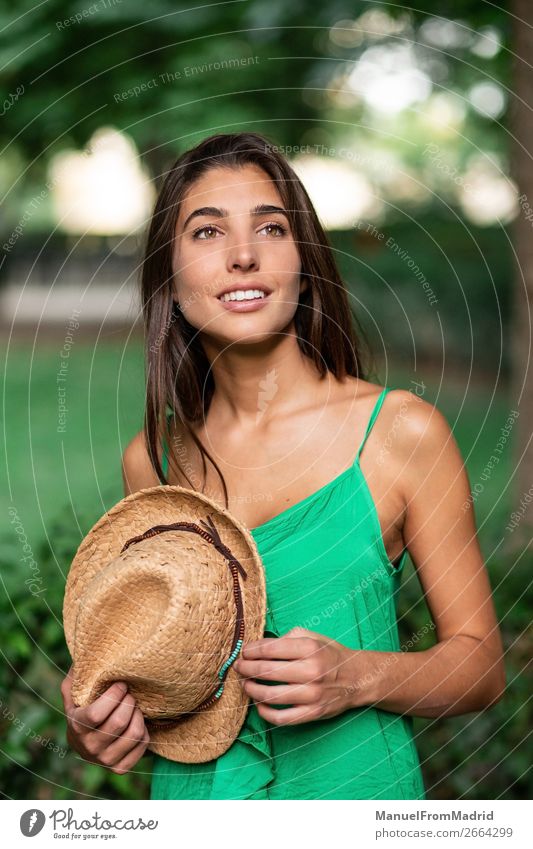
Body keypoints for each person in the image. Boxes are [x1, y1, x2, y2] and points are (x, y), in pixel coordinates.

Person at [61, 131, 505, 799]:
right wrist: (93, 717)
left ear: (304, 260)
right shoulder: (152, 460)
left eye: (270, 227)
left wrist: (360, 675)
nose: (243, 255)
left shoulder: (398, 431)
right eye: (206, 233)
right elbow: (147, 676)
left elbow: (480, 665)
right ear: (170, 278)